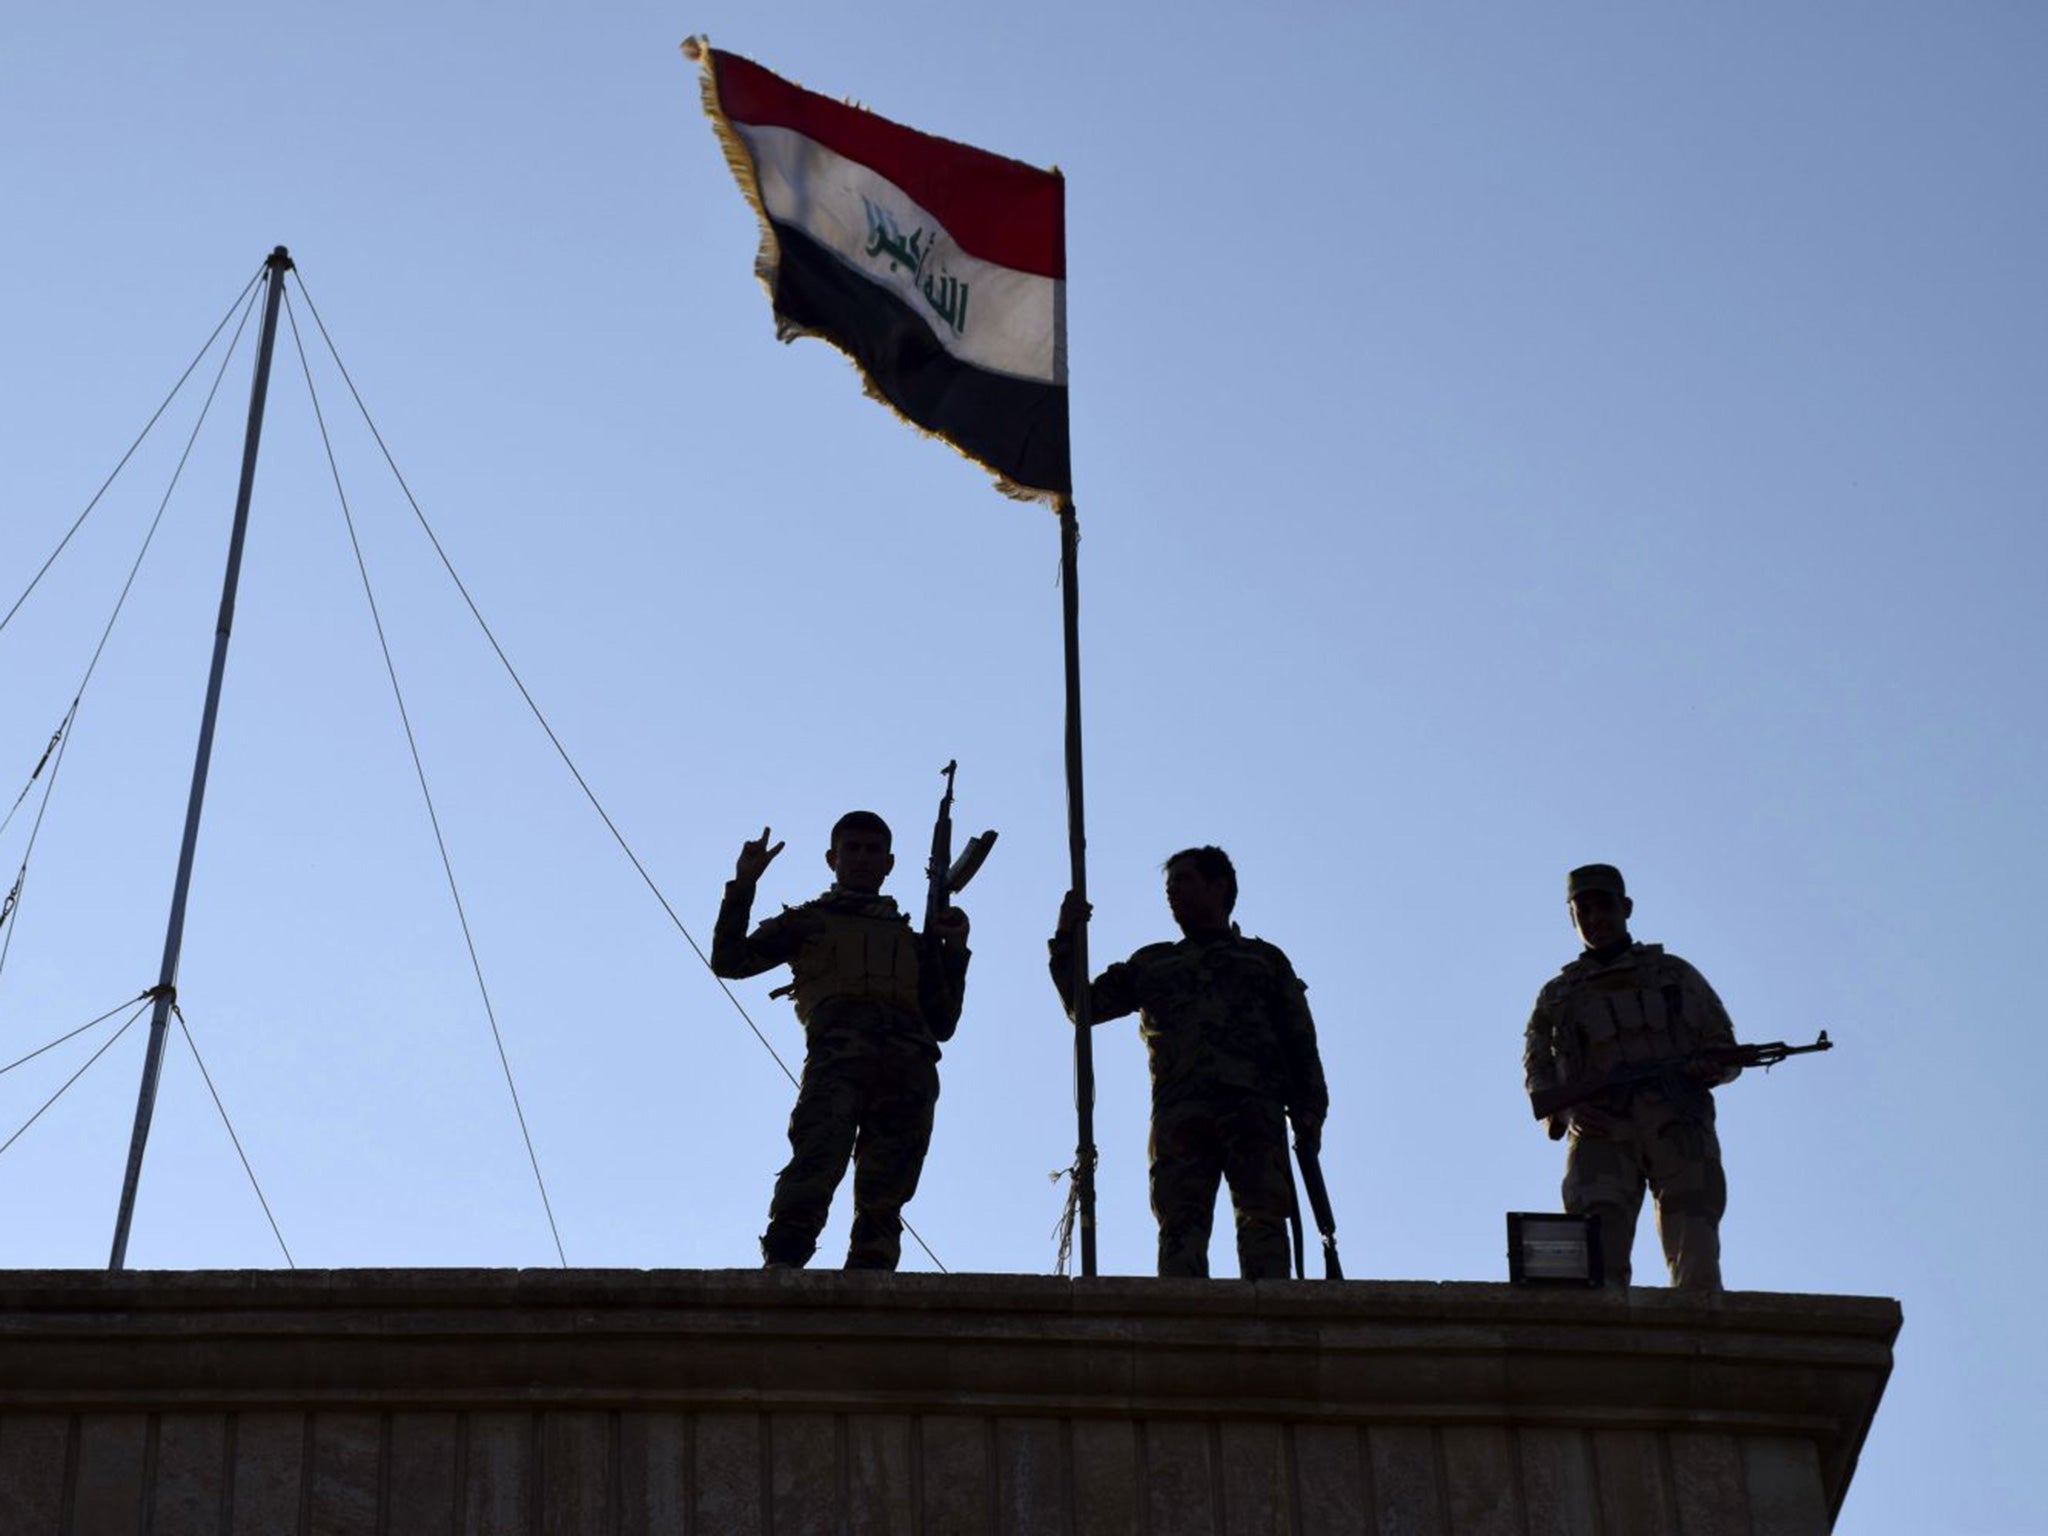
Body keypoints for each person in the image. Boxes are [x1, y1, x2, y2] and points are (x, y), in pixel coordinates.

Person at [1049, 846, 1328, 1280]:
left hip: (1252, 1113)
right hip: (1181, 1118)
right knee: (1180, 1229)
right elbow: (1084, 1008)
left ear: (1219, 887)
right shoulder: (1155, 962)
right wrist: (1066, 939)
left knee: (1263, 1224)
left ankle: (1272, 1329)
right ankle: (1184, 1332)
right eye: (1169, 883)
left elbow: (1300, 1040)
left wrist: (1311, 1110)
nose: (1172, 890)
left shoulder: (1263, 961)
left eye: (1183, 880)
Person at [711, 811, 969, 1270]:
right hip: (837, 1065)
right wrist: (744, 883)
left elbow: (943, 1021)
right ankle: (785, 1261)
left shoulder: (912, 940)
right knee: (815, 1161)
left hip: (907, 1070)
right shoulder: (809, 923)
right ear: (832, 858)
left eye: (873, 851)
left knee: (886, 1187)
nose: (863, 859)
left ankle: (871, 1275)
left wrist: (953, 950)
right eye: (853, 849)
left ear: (890, 863)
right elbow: (730, 960)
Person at [1522, 863, 1740, 1290]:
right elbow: (1537, 1069)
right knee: (1597, 1255)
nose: (1595, 919)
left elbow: (1724, 1046)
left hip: (1676, 1123)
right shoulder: (1559, 995)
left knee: (1694, 1247)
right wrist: (1568, 1111)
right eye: (1583, 910)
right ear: (1572, 917)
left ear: (1625, 908)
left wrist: (1709, 1067)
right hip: (1601, 1132)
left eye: (1604, 906)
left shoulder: (1673, 975)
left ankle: (1698, 1342)